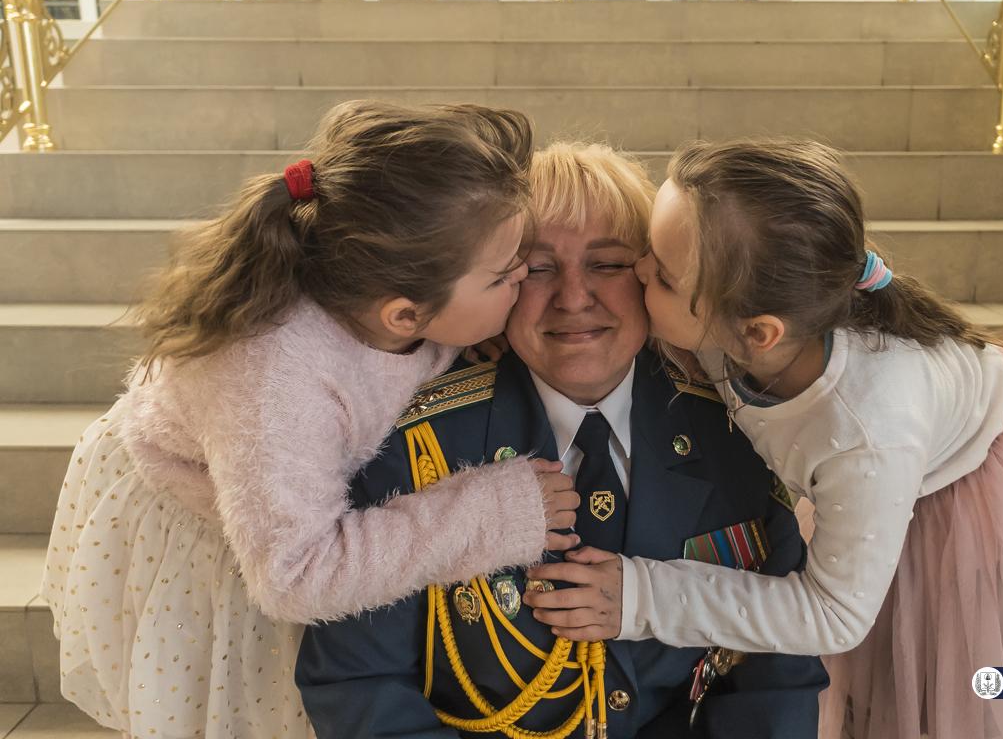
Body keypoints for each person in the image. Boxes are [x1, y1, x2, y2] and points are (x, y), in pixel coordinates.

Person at [527, 138, 1003, 739]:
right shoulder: (749, 302)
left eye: (663, 276)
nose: (638, 269)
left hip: (986, 491)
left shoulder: (865, 433)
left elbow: (835, 615)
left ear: (756, 334)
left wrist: (641, 595)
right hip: (882, 453)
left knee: (953, 691)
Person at [41, 101, 581, 739]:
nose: (525, 278)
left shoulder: (388, 297)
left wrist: (472, 329)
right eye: (504, 277)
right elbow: (296, 576)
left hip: (275, 498)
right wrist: (489, 513)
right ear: (404, 315)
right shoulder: (275, 379)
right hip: (224, 528)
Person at [295, 142, 828, 738]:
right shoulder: (416, 444)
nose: (574, 298)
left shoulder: (734, 429)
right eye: (538, 268)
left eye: (608, 264)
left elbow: (775, 674)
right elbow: (357, 682)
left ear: (655, 276)